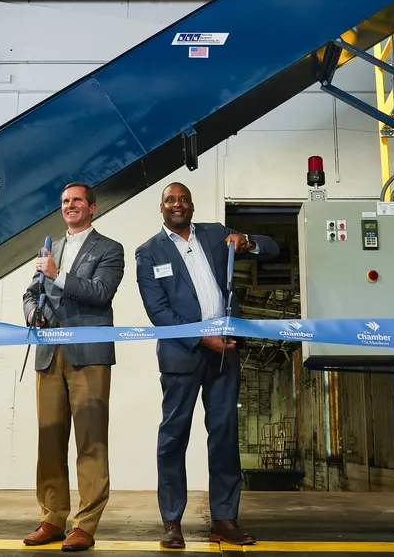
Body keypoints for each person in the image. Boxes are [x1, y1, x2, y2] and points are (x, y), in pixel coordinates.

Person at [134, 182, 279, 549]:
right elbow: (159, 312)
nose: (177, 205)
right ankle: (171, 522)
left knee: (225, 435)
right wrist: (202, 338)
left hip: (225, 353)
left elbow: (272, 248)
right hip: (183, 355)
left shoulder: (216, 235)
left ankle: (224, 520)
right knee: (173, 437)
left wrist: (246, 240)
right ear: (161, 207)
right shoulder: (149, 252)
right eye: (170, 200)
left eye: (183, 199)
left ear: (192, 206)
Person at [21, 182, 125, 552]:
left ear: (92, 207)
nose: (70, 206)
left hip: (89, 353)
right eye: (65, 201)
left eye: (77, 200)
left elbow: (101, 292)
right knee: (49, 438)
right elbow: (31, 293)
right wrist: (33, 313)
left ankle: (85, 523)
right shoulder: (49, 248)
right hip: (50, 353)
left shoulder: (110, 249)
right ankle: (52, 517)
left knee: (90, 440)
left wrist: (57, 275)